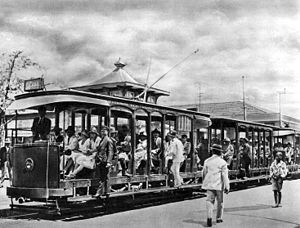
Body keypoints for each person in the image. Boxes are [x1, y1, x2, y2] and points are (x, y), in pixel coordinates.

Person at [202, 144, 230, 227]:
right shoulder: (222, 162)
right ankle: (219, 218)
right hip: (219, 185)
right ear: (220, 152)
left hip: (209, 184)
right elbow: (225, 176)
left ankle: (209, 218)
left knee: (209, 201)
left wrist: (204, 182)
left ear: (213, 151)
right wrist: (227, 186)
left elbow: (204, 173)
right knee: (220, 201)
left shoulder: (207, 161)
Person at [94, 126, 114, 198]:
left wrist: (109, 162)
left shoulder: (108, 140)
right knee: (103, 176)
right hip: (101, 160)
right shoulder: (102, 140)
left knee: (106, 177)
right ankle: (103, 191)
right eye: (102, 131)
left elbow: (110, 151)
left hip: (105, 160)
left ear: (107, 132)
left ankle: (105, 192)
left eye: (104, 131)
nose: (103, 132)